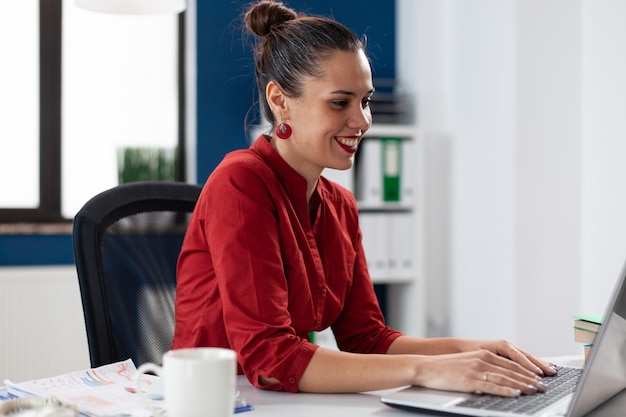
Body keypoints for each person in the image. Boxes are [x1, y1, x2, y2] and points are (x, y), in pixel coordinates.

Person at [172, 0, 557, 395]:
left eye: (366, 101)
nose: (362, 121)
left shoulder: (339, 205)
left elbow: (366, 337)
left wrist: (471, 351)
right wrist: (425, 370)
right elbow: (272, 360)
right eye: (340, 102)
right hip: (213, 400)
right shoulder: (240, 183)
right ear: (279, 100)